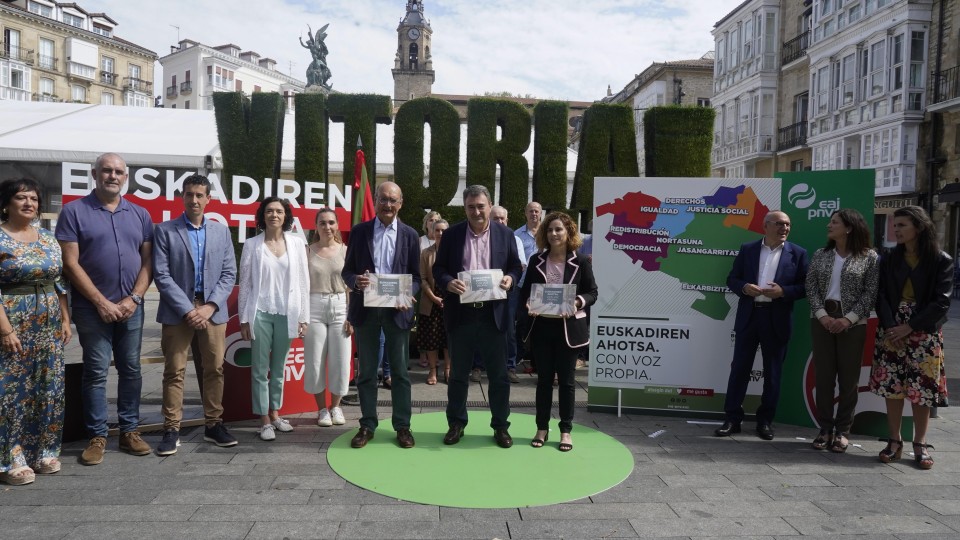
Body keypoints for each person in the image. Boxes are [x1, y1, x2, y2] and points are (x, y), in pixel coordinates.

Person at [56, 152, 154, 465]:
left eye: (119, 172)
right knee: (96, 372)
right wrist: (101, 301)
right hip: (91, 309)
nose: (113, 176)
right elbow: (69, 263)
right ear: (95, 174)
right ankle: (97, 435)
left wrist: (134, 298)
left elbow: (148, 260)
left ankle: (129, 431)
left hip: (131, 308)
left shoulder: (140, 214)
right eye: (107, 171)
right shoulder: (74, 211)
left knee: (131, 370)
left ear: (126, 177)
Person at [152, 174, 238, 456]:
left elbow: (229, 273)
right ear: (182, 197)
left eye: (200, 195)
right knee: (174, 371)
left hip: (212, 311)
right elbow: (162, 275)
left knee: (214, 369)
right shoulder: (165, 230)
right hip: (179, 312)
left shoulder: (220, 231)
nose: (194, 200)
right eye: (189, 194)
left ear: (208, 199)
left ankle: (213, 424)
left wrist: (210, 306)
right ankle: (171, 429)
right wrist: (189, 309)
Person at [434, 185, 523, 449]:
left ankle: (500, 427)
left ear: (490, 205)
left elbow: (516, 266)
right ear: (465, 208)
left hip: (493, 315)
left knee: (498, 376)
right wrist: (448, 282)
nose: (476, 211)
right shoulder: (451, 235)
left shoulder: (505, 234)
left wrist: (511, 278)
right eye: (471, 207)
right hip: (461, 315)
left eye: (481, 206)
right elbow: (439, 268)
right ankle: (456, 423)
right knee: (459, 375)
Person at [0, 178, 71, 486]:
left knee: (48, 387)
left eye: (33, 198)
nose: (29, 203)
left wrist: (66, 320)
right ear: (6, 203)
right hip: (12, 321)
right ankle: (11, 457)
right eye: (21, 198)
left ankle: (44, 450)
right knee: (12, 391)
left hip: (49, 324)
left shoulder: (47, 238)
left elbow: (58, 283)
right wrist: (4, 331)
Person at [871, 206, 952, 470]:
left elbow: (942, 302)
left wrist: (910, 327)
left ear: (919, 226)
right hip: (892, 328)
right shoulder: (888, 258)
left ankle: (920, 443)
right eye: (895, 225)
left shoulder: (941, 260)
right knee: (892, 387)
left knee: (922, 390)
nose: (896, 230)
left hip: (924, 330)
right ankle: (894, 440)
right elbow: (880, 295)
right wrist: (892, 326)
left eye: (902, 225)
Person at [715, 211, 808, 441]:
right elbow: (731, 279)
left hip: (776, 319)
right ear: (765, 226)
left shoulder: (798, 253)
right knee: (739, 370)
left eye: (788, 224)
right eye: (779, 224)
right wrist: (744, 287)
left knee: (773, 373)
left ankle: (765, 421)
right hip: (750, 316)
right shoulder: (748, 249)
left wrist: (783, 292)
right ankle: (732, 419)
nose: (784, 228)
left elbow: (805, 287)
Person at [342, 182, 421, 449]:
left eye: (393, 200)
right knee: (366, 372)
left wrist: (407, 295)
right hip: (366, 311)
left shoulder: (410, 235)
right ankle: (367, 424)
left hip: (397, 313)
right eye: (383, 199)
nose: (388, 205)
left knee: (399, 372)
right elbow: (347, 271)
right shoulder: (360, 231)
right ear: (375, 200)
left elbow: (417, 278)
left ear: (401, 203)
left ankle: (402, 426)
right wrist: (357, 282)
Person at [519, 211, 597, 452]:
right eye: (550, 230)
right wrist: (528, 304)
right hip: (542, 327)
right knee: (543, 381)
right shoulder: (536, 260)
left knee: (567, 382)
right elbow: (526, 293)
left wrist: (576, 303)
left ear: (568, 232)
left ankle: (565, 430)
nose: (554, 234)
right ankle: (541, 427)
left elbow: (592, 293)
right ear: (545, 233)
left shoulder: (581, 261)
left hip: (569, 329)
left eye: (559, 229)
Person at [805, 209, 879, 453]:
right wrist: (822, 315)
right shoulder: (821, 254)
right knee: (824, 378)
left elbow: (870, 293)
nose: (829, 225)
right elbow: (811, 286)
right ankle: (825, 429)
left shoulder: (869, 257)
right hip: (822, 322)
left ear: (849, 228)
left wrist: (848, 319)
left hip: (852, 325)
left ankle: (843, 431)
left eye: (834, 222)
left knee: (849, 381)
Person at [238, 197, 309, 442]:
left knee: (278, 369)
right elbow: (245, 285)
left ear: (286, 216)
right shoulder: (252, 245)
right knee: (259, 369)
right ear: (263, 215)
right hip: (260, 312)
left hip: (287, 313)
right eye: (269, 211)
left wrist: (304, 316)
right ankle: (264, 420)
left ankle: (276, 413)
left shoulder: (297, 244)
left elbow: (303, 282)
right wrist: (244, 319)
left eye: (279, 211)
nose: (274, 215)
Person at [304, 208, 352, 428]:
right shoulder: (307, 251)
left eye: (331, 222)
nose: (327, 227)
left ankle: (336, 406)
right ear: (316, 226)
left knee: (341, 361)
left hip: (340, 305)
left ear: (337, 225)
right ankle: (322, 409)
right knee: (314, 362)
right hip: (314, 306)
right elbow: (301, 287)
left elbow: (352, 287)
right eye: (322, 223)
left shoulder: (345, 251)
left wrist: (351, 316)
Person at [491, 205, 526, 383]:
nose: (499, 221)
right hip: (486, 290)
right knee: (480, 327)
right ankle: (478, 366)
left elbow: (520, 264)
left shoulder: (514, 238)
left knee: (509, 329)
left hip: (508, 290)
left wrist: (508, 277)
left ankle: (510, 366)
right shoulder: (482, 236)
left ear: (507, 220)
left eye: (502, 218)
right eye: (495, 218)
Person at [418, 219, 449, 385]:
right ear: (432, 232)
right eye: (437, 230)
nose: (441, 233)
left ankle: (448, 369)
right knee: (431, 338)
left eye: (444, 230)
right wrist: (434, 297)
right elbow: (422, 279)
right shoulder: (426, 253)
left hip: (450, 301)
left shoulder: (456, 251)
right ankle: (432, 370)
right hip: (431, 301)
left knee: (448, 338)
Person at [514, 201, 542, 371]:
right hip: (522, 286)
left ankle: (537, 360)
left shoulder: (548, 233)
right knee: (521, 322)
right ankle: (518, 355)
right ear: (525, 213)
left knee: (540, 324)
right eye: (530, 211)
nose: (534, 214)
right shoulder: (517, 235)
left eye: (536, 211)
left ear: (540, 214)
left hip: (542, 286)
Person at [416, 211, 441, 369]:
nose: (433, 222)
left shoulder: (445, 242)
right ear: (426, 223)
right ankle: (422, 353)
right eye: (430, 220)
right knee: (423, 321)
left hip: (440, 289)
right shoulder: (420, 241)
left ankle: (438, 358)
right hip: (423, 287)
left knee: (439, 326)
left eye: (436, 220)